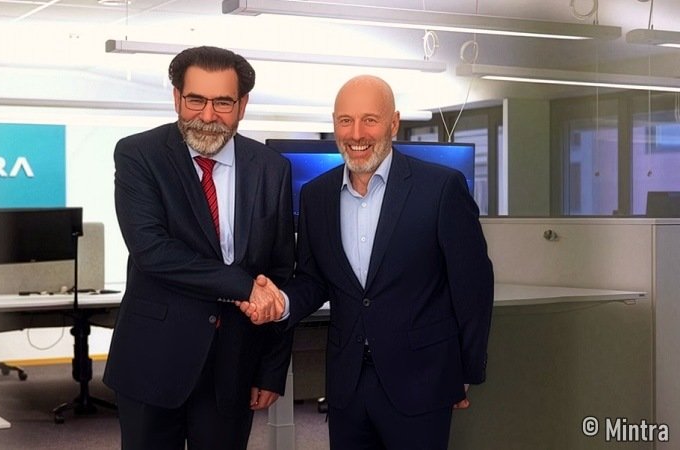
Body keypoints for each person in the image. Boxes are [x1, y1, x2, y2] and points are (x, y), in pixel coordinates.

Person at [242, 75, 494, 449]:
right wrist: (282, 302)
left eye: (370, 120)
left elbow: (473, 286)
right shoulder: (316, 195)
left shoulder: (441, 188)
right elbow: (313, 278)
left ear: (393, 123)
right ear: (334, 124)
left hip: (422, 380)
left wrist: (465, 372)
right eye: (346, 120)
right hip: (347, 384)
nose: (356, 133)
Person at [103, 46, 296, 450]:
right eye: (196, 100)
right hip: (154, 360)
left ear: (242, 105)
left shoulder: (271, 168)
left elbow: (280, 271)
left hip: (234, 366)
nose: (207, 116)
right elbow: (153, 251)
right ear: (177, 97)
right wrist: (244, 287)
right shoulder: (139, 155)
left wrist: (271, 368)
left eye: (223, 102)